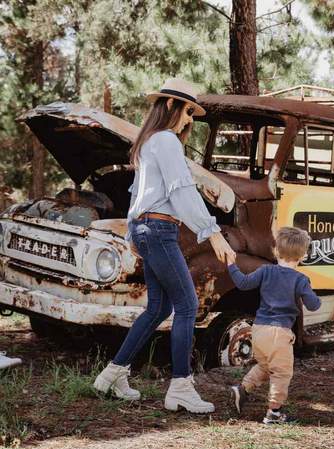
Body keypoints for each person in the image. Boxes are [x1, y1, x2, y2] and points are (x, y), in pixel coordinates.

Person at [93, 78, 236, 413]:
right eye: (188, 111)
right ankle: (181, 388)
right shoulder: (167, 141)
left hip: (148, 229)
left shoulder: (148, 142)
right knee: (186, 305)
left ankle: (113, 374)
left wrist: (133, 234)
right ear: (171, 105)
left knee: (158, 309)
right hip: (158, 230)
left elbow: (136, 197)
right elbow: (180, 191)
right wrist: (210, 231)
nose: (190, 120)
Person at [227, 226, 320, 424]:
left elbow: (242, 284)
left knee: (265, 365)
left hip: (258, 330)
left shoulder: (265, 270)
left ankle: (243, 389)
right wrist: (312, 293)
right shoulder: (300, 279)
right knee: (282, 373)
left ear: (276, 251)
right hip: (280, 333)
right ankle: (274, 413)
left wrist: (231, 265)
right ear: (303, 256)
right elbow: (313, 305)